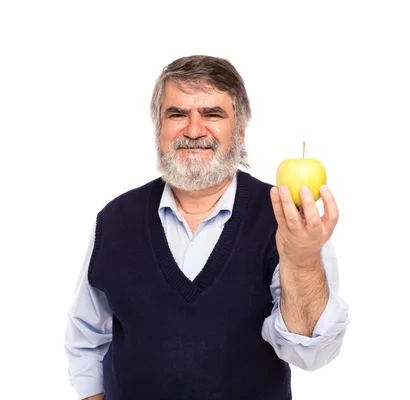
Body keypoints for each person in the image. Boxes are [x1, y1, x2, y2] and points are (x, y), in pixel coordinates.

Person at [64, 55, 350, 400]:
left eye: (213, 114)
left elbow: (310, 352)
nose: (194, 130)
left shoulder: (285, 219)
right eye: (177, 114)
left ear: (240, 131)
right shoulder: (115, 218)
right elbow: (86, 337)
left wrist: (301, 258)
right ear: (159, 128)